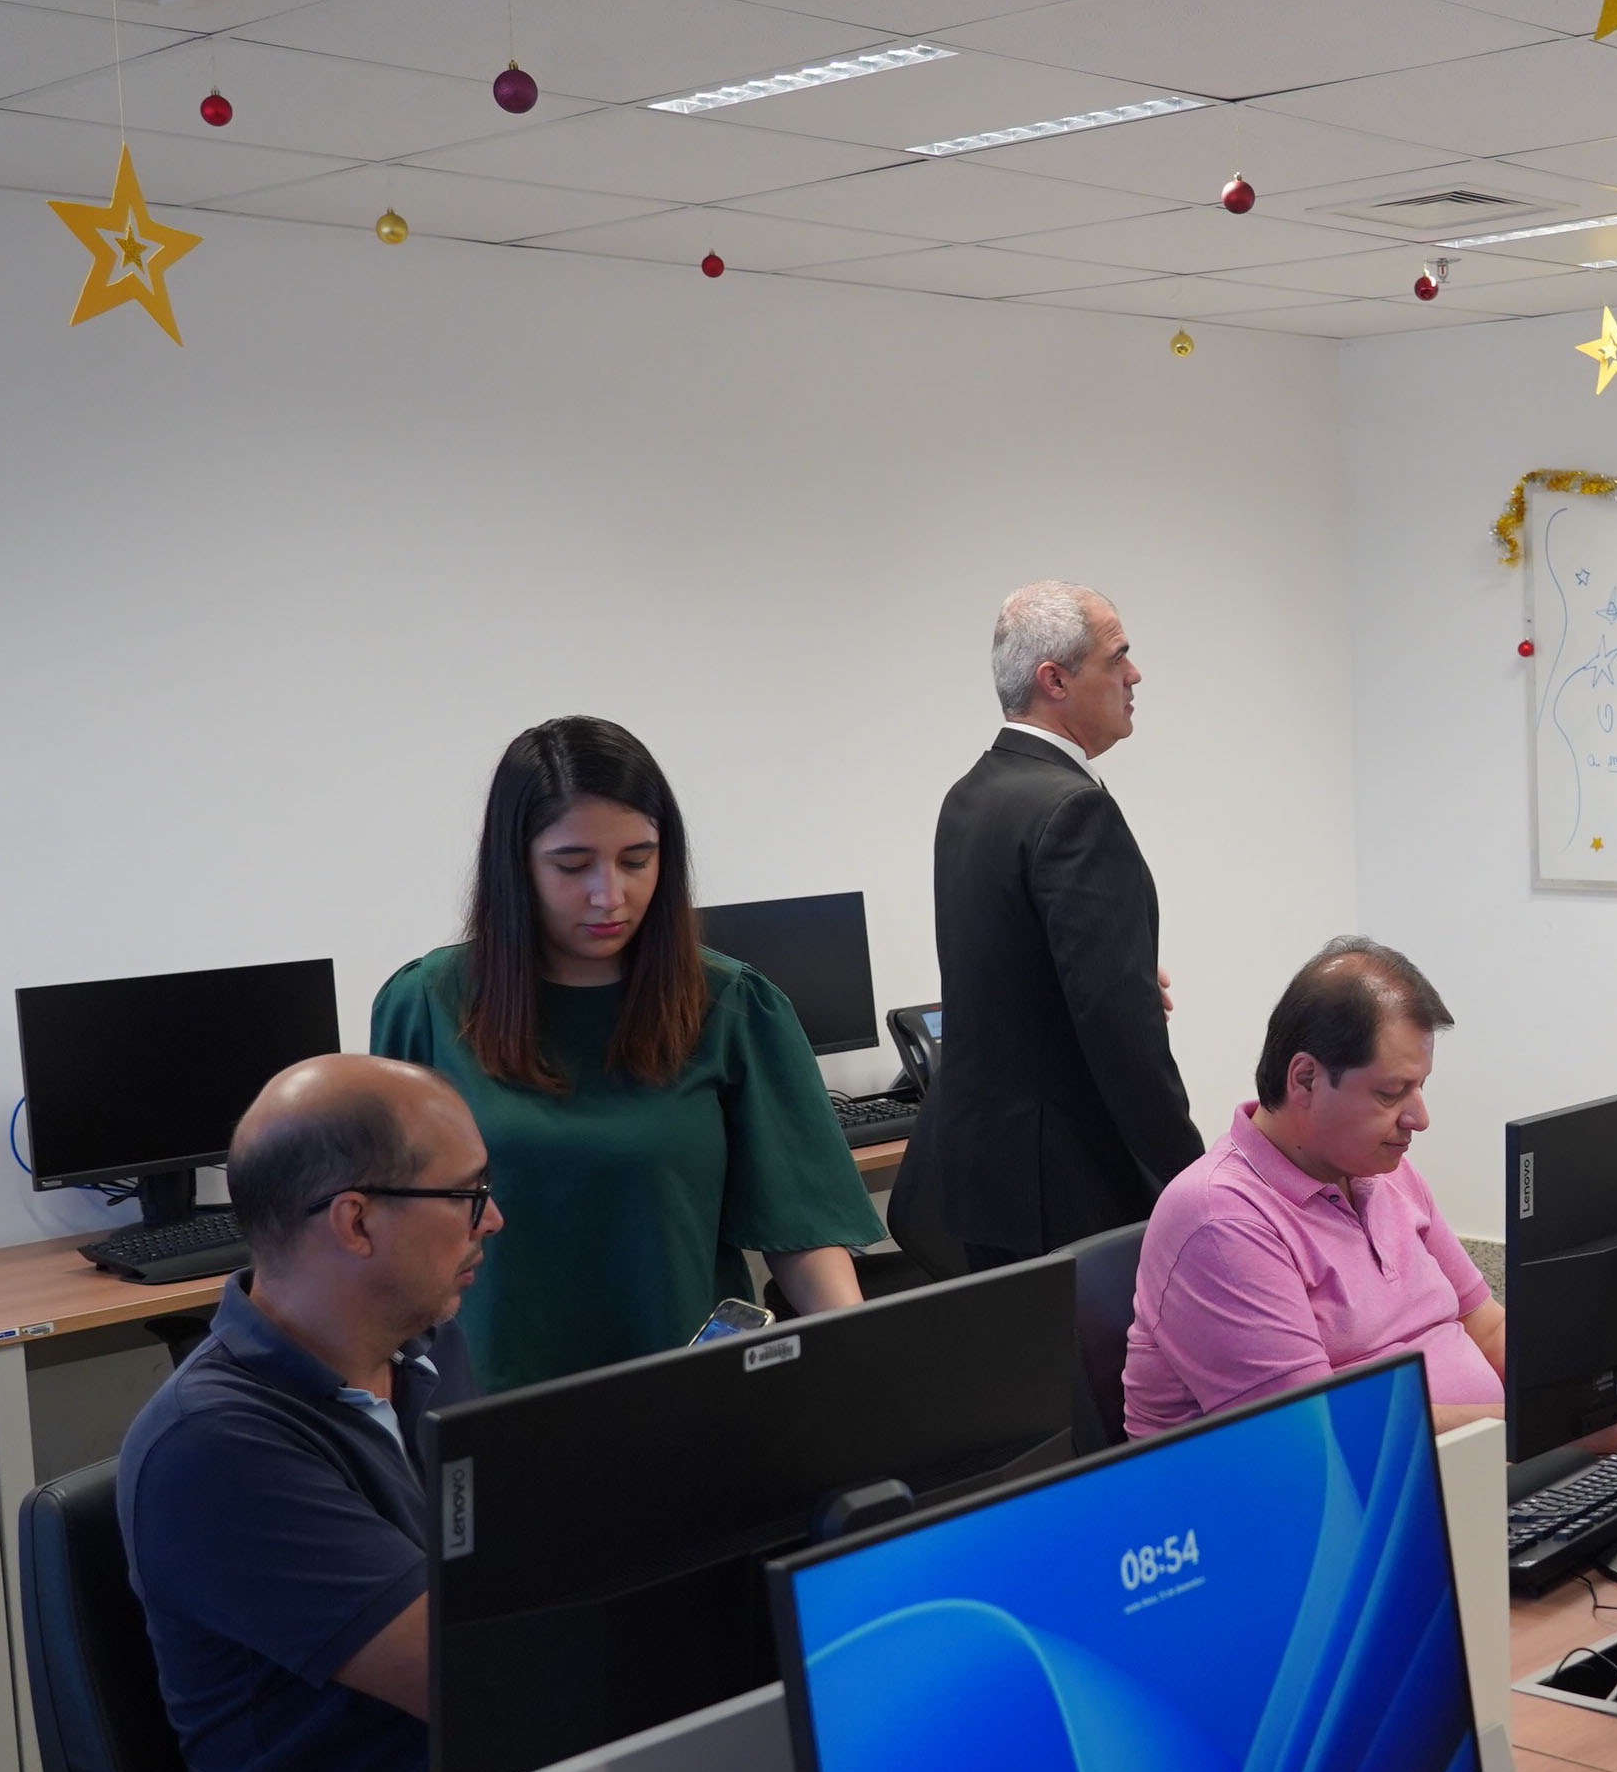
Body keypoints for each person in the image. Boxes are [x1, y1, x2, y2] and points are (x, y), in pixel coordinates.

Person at [371, 717, 880, 1389]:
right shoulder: (427, 1006)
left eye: (637, 861)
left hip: (686, 1398)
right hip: (489, 1399)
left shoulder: (733, 1007)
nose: (610, 896)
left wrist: (864, 1367)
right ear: (514, 864)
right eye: (572, 865)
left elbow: (804, 1233)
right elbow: (386, 1241)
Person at [120, 1057, 493, 1772]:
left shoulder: (427, 1349)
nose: (492, 1219)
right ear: (355, 1222)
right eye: (467, 1195)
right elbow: (485, 1682)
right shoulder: (215, 1447)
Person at [1120, 940, 1508, 1437]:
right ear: (1305, 1079)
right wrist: (1522, 1427)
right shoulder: (1221, 1219)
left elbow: (1487, 1327)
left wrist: (1583, 1396)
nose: (1419, 1118)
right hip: (1336, 1480)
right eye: (1391, 1093)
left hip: (1469, 1459)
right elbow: (1319, 1431)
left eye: (1420, 1087)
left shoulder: (1384, 1171)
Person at [929, 581, 1204, 1267]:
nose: (1134, 675)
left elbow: (1007, 969)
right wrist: (1194, 1182)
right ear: (1054, 680)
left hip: (991, 1181)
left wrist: (1120, 969)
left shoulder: (971, 794)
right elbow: (1123, 1036)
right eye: (1117, 657)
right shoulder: (1073, 810)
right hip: (1072, 1186)